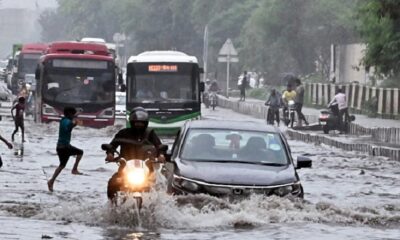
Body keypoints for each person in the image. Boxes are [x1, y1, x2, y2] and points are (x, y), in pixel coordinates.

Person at [105, 107, 165, 172]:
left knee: (158, 180)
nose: (139, 125)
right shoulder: (123, 133)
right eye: (136, 123)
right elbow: (112, 146)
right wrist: (110, 154)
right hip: (126, 167)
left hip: (147, 167)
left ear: (146, 123)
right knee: (114, 181)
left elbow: (159, 146)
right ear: (132, 122)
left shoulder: (150, 133)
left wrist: (161, 155)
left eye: (141, 123)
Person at [47, 107, 84, 192]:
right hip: (64, 147)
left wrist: (77, 115)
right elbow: (67, 128)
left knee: (62, 166)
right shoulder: (66, 122)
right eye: (73, 114)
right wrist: (74, 124)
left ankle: (51, 181)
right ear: (69, 114)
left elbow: (71, 122)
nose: (74, 116)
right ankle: (74, 169)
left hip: (63, 146)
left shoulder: (64, 119)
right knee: (80, 152)